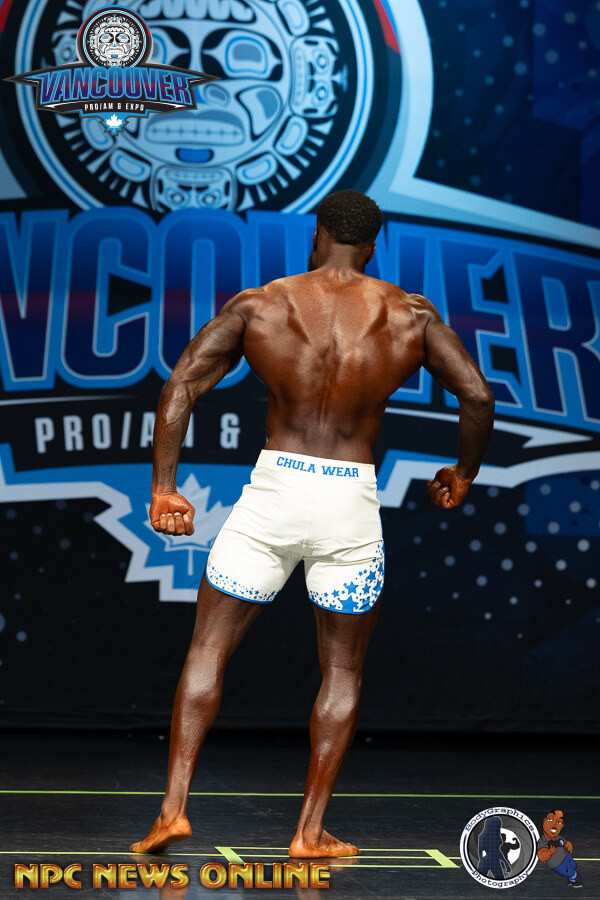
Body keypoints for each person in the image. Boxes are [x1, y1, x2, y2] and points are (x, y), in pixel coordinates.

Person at [130, 189, 495, 857]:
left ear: (318, 234)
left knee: (207, 650)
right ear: (374, 245)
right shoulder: (410, 315)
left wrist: (163, 487)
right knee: (343, 670)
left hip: (273, 493)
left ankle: (172, 810)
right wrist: (463, 471)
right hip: (348, 503)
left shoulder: (261, 304)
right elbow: (476, 393)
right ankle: (308, 832)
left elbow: (181, 384)